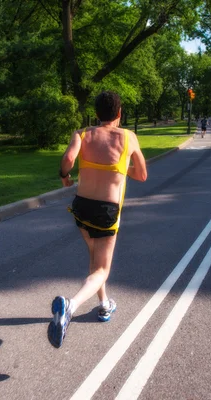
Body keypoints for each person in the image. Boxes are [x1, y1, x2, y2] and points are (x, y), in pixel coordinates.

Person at [48, 91, 148, 349]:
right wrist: (120, 165)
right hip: (106, 210)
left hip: (81, 206)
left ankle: (104, 305)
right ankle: (70, 306)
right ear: (119, 113)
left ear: (96, 113)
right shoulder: (128, 137)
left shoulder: (82, 133)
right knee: (102, 269)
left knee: (95, 260)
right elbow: (142, 175)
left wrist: (64, 178)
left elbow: (68, 160)